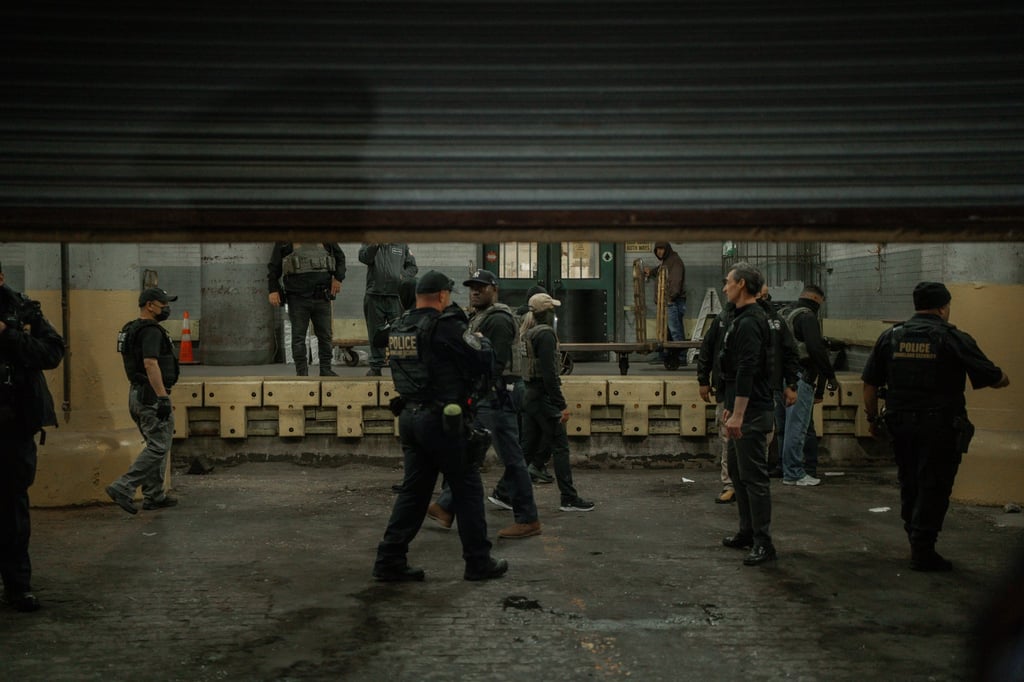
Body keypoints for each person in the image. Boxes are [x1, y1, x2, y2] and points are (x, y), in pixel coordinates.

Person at [862, 281, 1009, 572]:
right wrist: (1004, 377)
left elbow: (870, 384)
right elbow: (993, 377)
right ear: (944, 307)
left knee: (910, 481)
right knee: (935, 485)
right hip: (939, 427)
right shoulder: (953, 338)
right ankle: (923, 549)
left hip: (900, 425)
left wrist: (872, 420)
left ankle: (915, 541)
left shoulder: (890, 336)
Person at [373, 270, 507, 582]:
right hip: (442, 420)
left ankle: (389, 560)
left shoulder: (400, 325)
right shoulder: (445, 325)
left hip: (409, 415)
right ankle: (478, 562)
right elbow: (483, 359)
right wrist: (483, 343)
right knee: (468, 489)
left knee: (414, 492)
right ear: (443, 296)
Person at [427, 270, 542, 539]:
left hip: (498, 394)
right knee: (466, 453)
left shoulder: (499, 320)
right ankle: (445, 507)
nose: (475, 291)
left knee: (511, 459)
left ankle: (528, 519)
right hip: (485, 396)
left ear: (494, 289)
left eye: (481, 287)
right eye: (472, 287)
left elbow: (494, 363)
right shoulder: (478, 317)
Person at [0, 264, 64, 612]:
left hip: (12, 429)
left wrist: (8, 335)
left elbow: (52, 353)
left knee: (12, 511)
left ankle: (17, 585)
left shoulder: (23, 310)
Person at [719, 262, 777, 566]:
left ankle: (763, 542)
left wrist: (739, 413)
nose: (725, 286)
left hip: (752, 412)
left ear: (741, 284)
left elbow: (747, 369)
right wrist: (731, 405)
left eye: (728, 281)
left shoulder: (751, 321)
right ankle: (747, 531)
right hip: (741, 407)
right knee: (740, 475)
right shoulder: (740, 318)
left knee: (754, 478)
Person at [106, 288, 182, 516]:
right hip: (151, 396)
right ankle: (124, 486)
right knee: (159, 446)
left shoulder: (131, 329)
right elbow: (150, 363)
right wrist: (162, 397)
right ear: (149, 305)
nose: (166, 308)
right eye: (163, 304)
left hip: (137, 394)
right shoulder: (151, 331)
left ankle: (154, 495)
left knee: (156, 443)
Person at [520, 293, 595, 512]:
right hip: (543, 396)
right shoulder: (545, 335)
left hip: (530, 394)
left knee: (526, 449)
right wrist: (560, 404)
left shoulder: (527, 333)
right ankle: (568, 498)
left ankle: (504, 492)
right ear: (547, 312)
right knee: (560, 447)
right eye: (553, 309)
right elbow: (550, 374)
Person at [778, 284, 838, 486]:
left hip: (780, 377)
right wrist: (830, 376)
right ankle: (793, 473)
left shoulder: (783, 313)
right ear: (816, 299)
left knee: (784, 428)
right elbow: (816, 349)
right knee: (797, 427)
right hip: (800, 377)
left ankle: (784, 467)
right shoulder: (807, 317)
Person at [267, 242, 346, 377]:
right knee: (298, 338)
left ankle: (326, 370)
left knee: (325, 336)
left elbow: (340, 258)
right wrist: (273, 289)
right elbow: (274, 267)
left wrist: (338, 278)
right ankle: (302, 373)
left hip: (322, 296)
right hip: (297, 298)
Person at [358, 243, 418, 376]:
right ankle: (376, 366)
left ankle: (401, 367)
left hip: (396, 296)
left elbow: (413, 267)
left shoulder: (402, 245)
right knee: (374, 331)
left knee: (400, 331)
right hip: (374, 295)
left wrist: (402, 274)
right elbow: (364, 258)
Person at [644, 242, 686, 366]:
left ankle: (681, 357)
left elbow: (676, 281)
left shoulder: (675, 261)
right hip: (669, 302)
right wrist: (650, 272)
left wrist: (670, 298)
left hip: (673, 302)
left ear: (667, 249)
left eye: (661, 249)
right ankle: (665, 355)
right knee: (667, 331)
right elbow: (659, 270)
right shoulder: (667, 262)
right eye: (657, 250)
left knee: (674, 330)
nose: (659, 252)